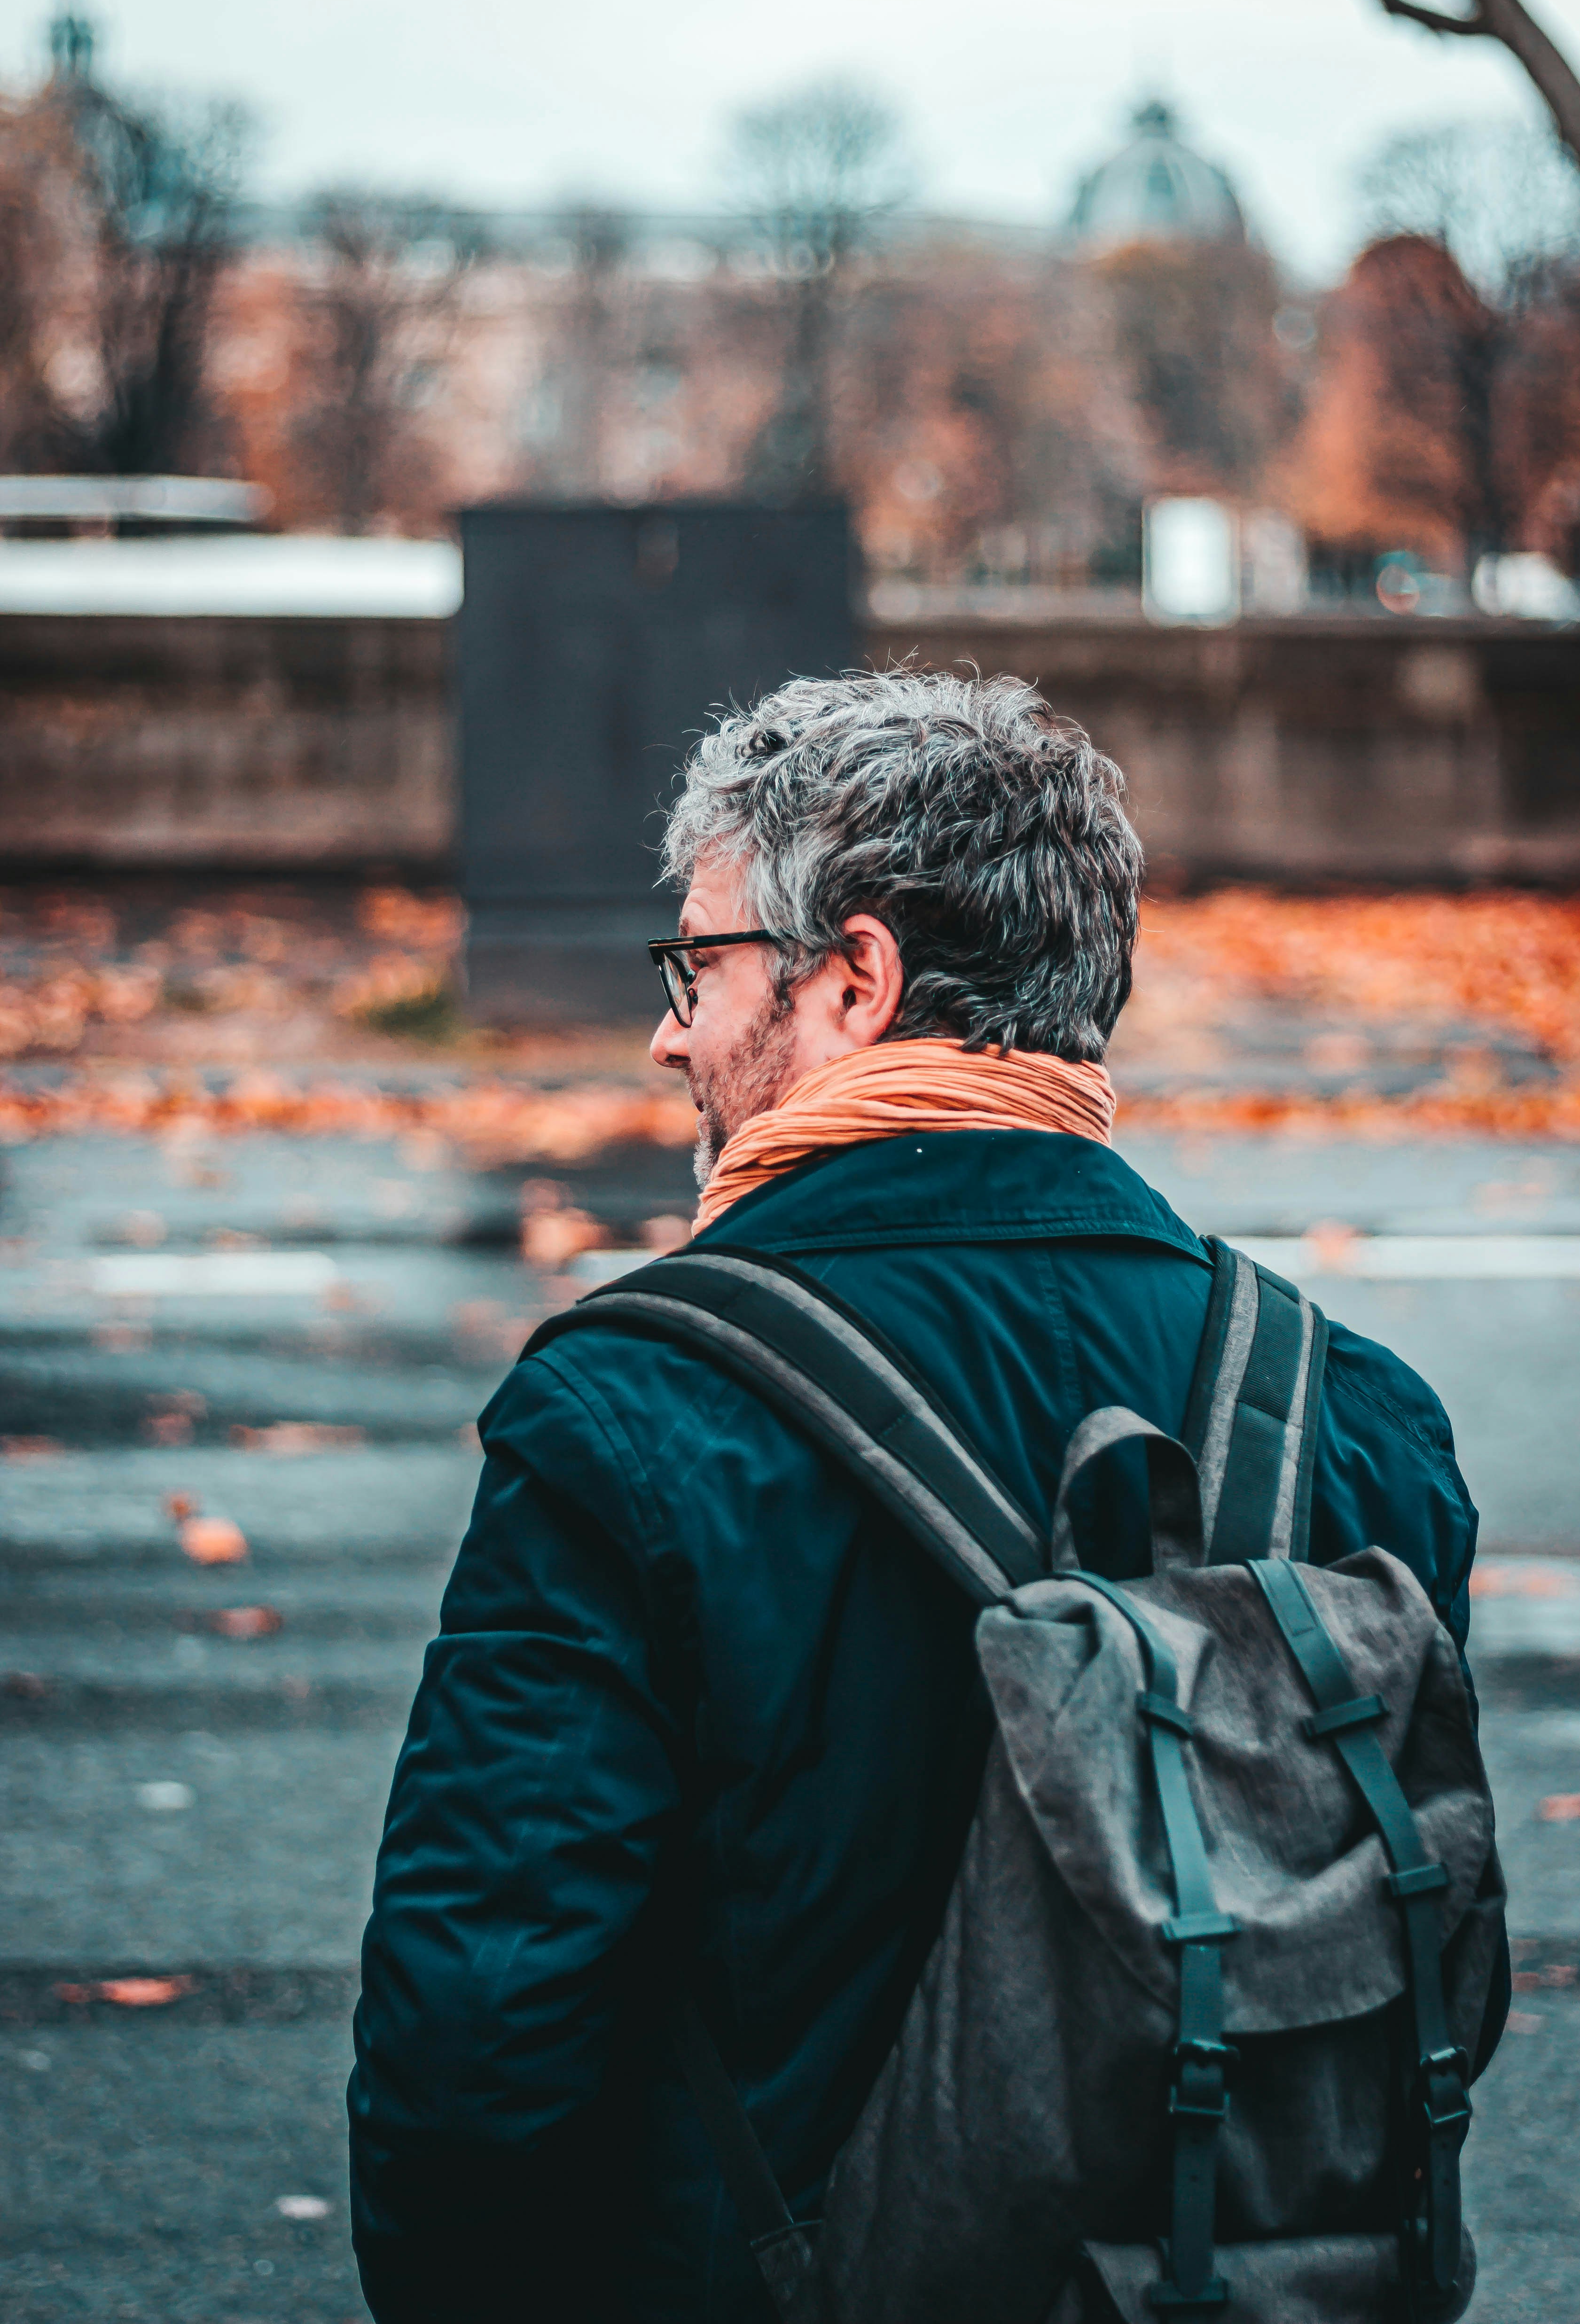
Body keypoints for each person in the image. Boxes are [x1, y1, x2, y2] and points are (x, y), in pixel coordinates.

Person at [349, 670, 1506, 2323]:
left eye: (700, 966)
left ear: (856, 980)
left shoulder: (631, 1413)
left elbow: (480, 2035)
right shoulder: (1362, 1416)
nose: (670, 1028)